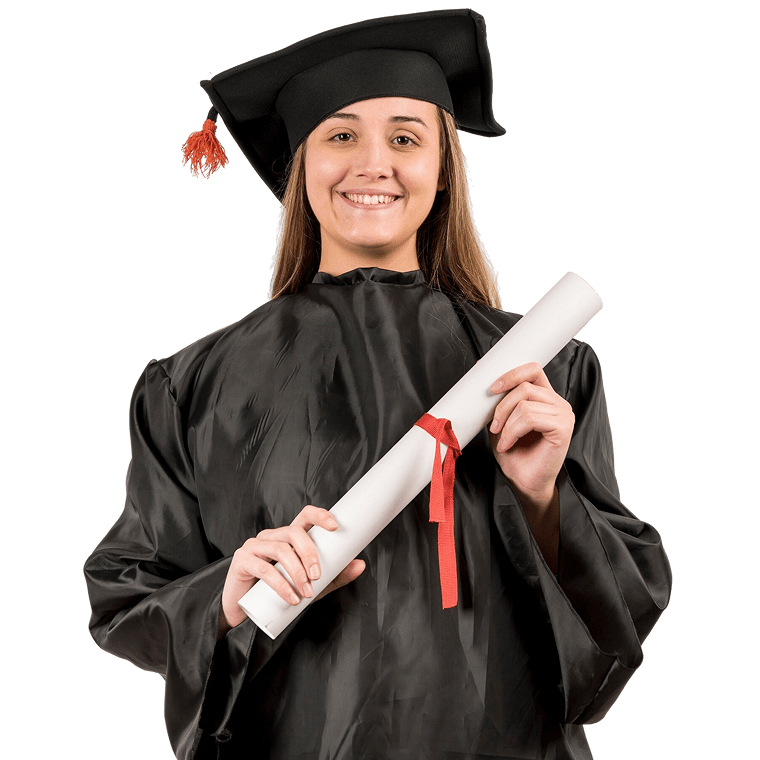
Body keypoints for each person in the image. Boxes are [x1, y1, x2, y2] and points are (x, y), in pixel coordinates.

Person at [84, 10, 672, 760]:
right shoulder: (191, 386)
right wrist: (226, 595)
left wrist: (545, 500)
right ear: (300, 165)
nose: (373, 165)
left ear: (443, 166)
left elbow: (625, 615)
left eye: (404, 138)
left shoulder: (541, 371)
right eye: (340, 136)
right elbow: (125, 602)